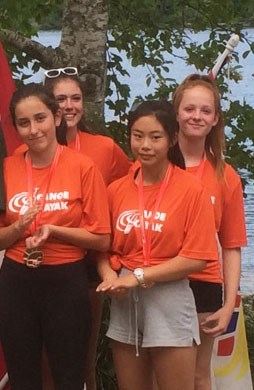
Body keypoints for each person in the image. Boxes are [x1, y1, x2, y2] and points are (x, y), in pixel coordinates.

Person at [14, 67, 131, 390]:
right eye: (61, 99)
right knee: (41, 361)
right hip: (38, 263)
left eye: (76, 98)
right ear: (51, 108)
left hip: (88, 263)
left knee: (81, 363)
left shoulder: (103, 148)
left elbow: (136, 184)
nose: (69, 106)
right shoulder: (20, 155)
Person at [96, 100, 219, 390]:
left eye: (155, 137)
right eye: (138, 136)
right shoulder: (116, 190)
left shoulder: (191, 190)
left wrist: (139, 277)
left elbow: (197, 257)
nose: (145, 145)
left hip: (169, 299)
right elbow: (103, 247)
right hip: (125, 300)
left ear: (173, 139)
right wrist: (109, 276)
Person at [172, 73, 247, 390]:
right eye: (189, 109)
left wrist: (229, 303)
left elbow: (231, 246)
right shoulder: (152, 165)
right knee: (157, 376)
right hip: (158, 281)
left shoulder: (226, 175)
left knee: (198, 375)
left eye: (205, 111)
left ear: (216, 119)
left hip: (204, 284)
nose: (197, 117)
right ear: (176, 112)